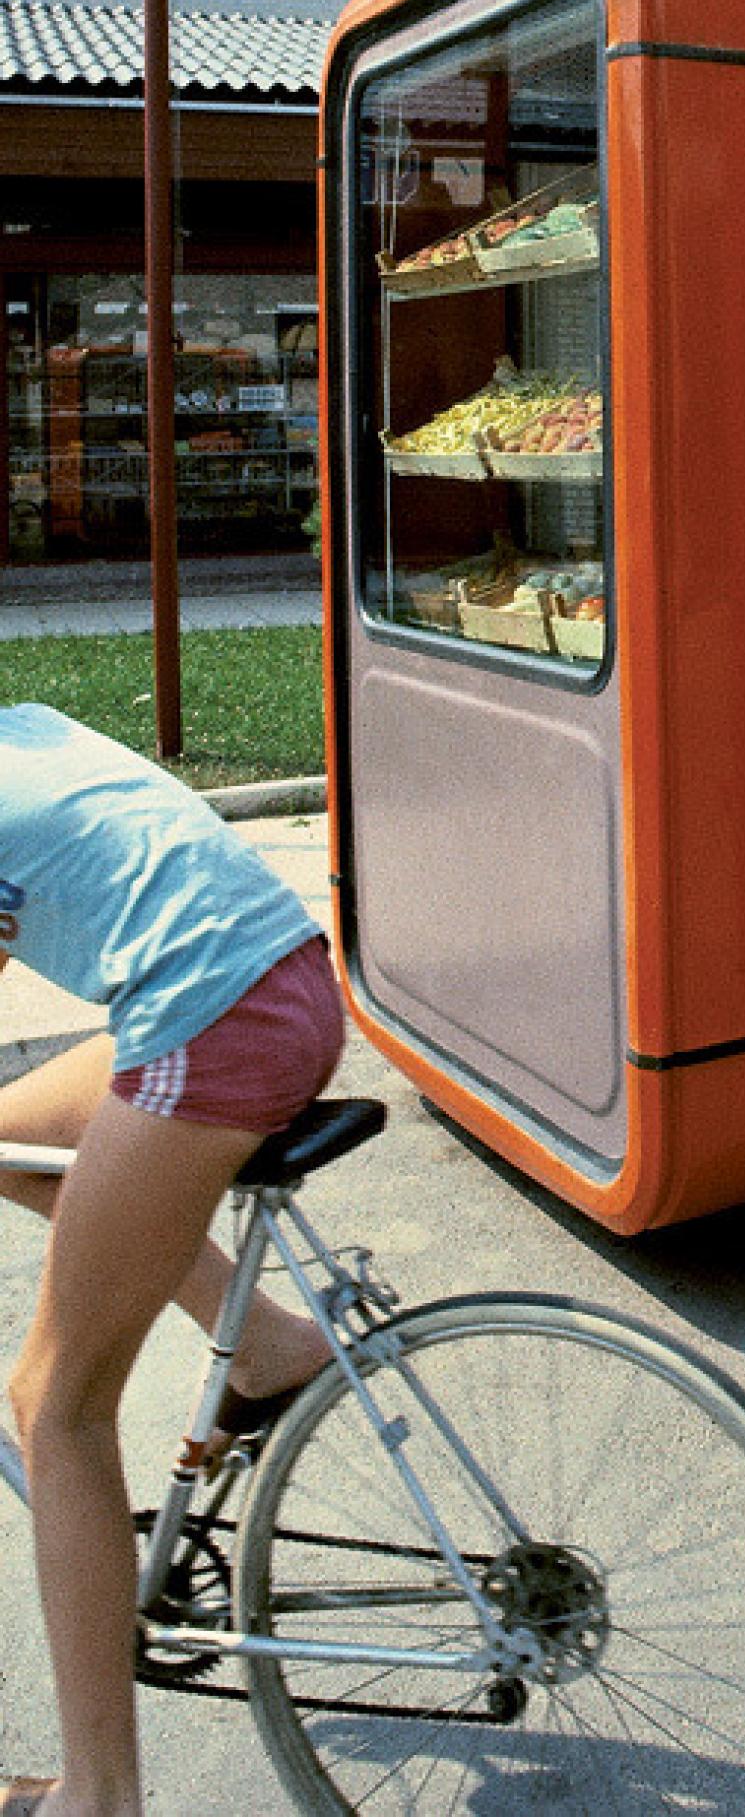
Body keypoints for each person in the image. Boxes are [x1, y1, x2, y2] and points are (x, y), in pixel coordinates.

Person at [0, 704, 345, 1817]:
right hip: (283, 987)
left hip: (212, 1024)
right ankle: (273, 1351)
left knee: (54, 1407)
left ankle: (98, 1798)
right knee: (20, 1137)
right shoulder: (26, 729)